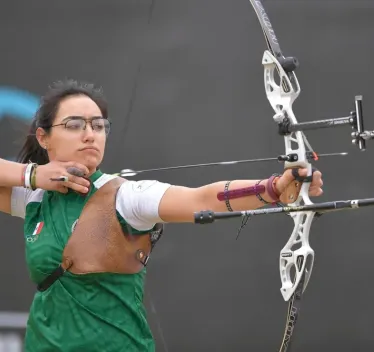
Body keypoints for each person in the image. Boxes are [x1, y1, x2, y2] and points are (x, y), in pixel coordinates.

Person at [0, 79, 324, 352]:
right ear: (43, 137)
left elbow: (201, 198)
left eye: (99, 126)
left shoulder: (125, 197)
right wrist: (31, 176)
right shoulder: (34, 198)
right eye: (74, 125)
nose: (90, 134)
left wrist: (273, 188)